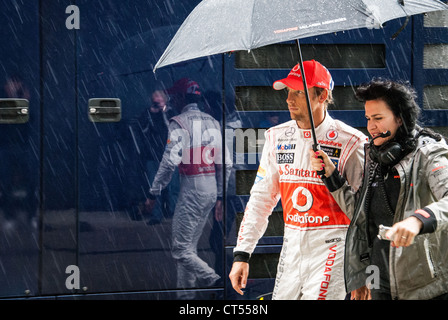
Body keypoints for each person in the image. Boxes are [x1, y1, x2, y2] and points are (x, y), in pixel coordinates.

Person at [229, 60, 367, 300]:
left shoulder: (351, 142)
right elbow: (261, 198)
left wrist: (361, 271)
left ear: (322, 95)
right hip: (291, 247)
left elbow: (363, 213)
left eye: (299, 92)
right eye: (288, 91)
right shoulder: (276, 136)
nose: (288, 100)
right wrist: (243, 253)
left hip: (333, 248)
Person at [310, 79, 448, 300]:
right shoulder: (375, 155)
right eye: (367, 119)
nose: (371, 126)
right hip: (378, 279)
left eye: (378, 118)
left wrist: (418, 220)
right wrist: (331, 176)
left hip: (424, 286)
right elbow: (361, 214)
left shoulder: (429, 153)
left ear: (400, 118)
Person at [146, 78, 232, 298]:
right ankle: (186, 298)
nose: (172, 99)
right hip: (211, 189)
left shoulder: (179, 122)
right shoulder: (213, 121)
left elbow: (168, 163)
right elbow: (226, 163)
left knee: (180, 249)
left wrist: (153, 193)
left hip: (191, 191)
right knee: (189, 248)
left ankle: (216, 280)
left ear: (182, 98)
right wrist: (220, 196)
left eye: (175, 96)